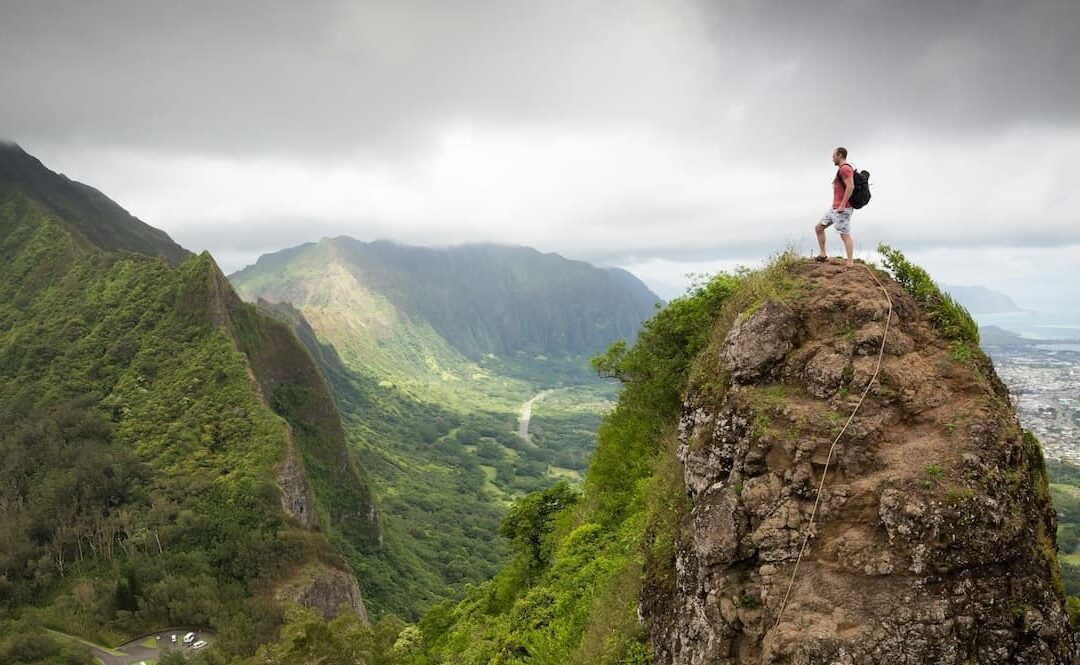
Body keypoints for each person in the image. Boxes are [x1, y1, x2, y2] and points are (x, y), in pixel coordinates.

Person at [815, 146, 855, 268]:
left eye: (834, 156)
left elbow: (851, 186)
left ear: (840, 155)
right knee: (819, 228)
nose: (832, 159)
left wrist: (843, 204)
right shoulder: (842, 170)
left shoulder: (845, 169)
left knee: (844, 234)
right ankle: (823, 254)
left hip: (842, 209)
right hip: (834, 208)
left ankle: (850, 262)